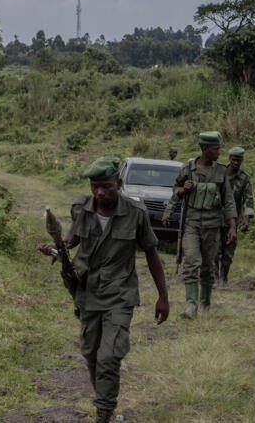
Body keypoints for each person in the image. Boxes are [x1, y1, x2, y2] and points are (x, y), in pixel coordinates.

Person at [60, 156, 169, 423]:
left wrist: (163, 297)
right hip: (87, 294)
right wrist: (56, 248)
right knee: (91, 354)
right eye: (95, 186)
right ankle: (105, 401)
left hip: (120, 295)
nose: (100, 192)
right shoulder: (81, 209)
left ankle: (103, 414)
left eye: (106, 186)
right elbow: (71, 240)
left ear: (118, 183)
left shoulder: (136, 214)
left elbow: (152, 255)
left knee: (109, 356)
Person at [162, 131, 236, 319]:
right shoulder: (188, 169)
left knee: (208, 266)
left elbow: (228, 200)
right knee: (191, 261)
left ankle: (205, 304)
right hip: (192, 222)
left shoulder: (221, 171)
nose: (219, 152)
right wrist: (181, 191)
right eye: (215, 148)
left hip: (212, 224)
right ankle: (191, 305)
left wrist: (232, 226)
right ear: (204, 149)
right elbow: (175, 190)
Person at [218, 146, 255, 289]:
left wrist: (246, 218)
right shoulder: (220, 173)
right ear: (229, 159)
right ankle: (214, 276)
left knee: (228, 249)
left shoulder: (244, 178)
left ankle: (224, 278)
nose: (236, 163)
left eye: (238, 160)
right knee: (214, 249)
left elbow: (248, 199)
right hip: (215, 216)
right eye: (233, 160)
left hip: (231, 219)